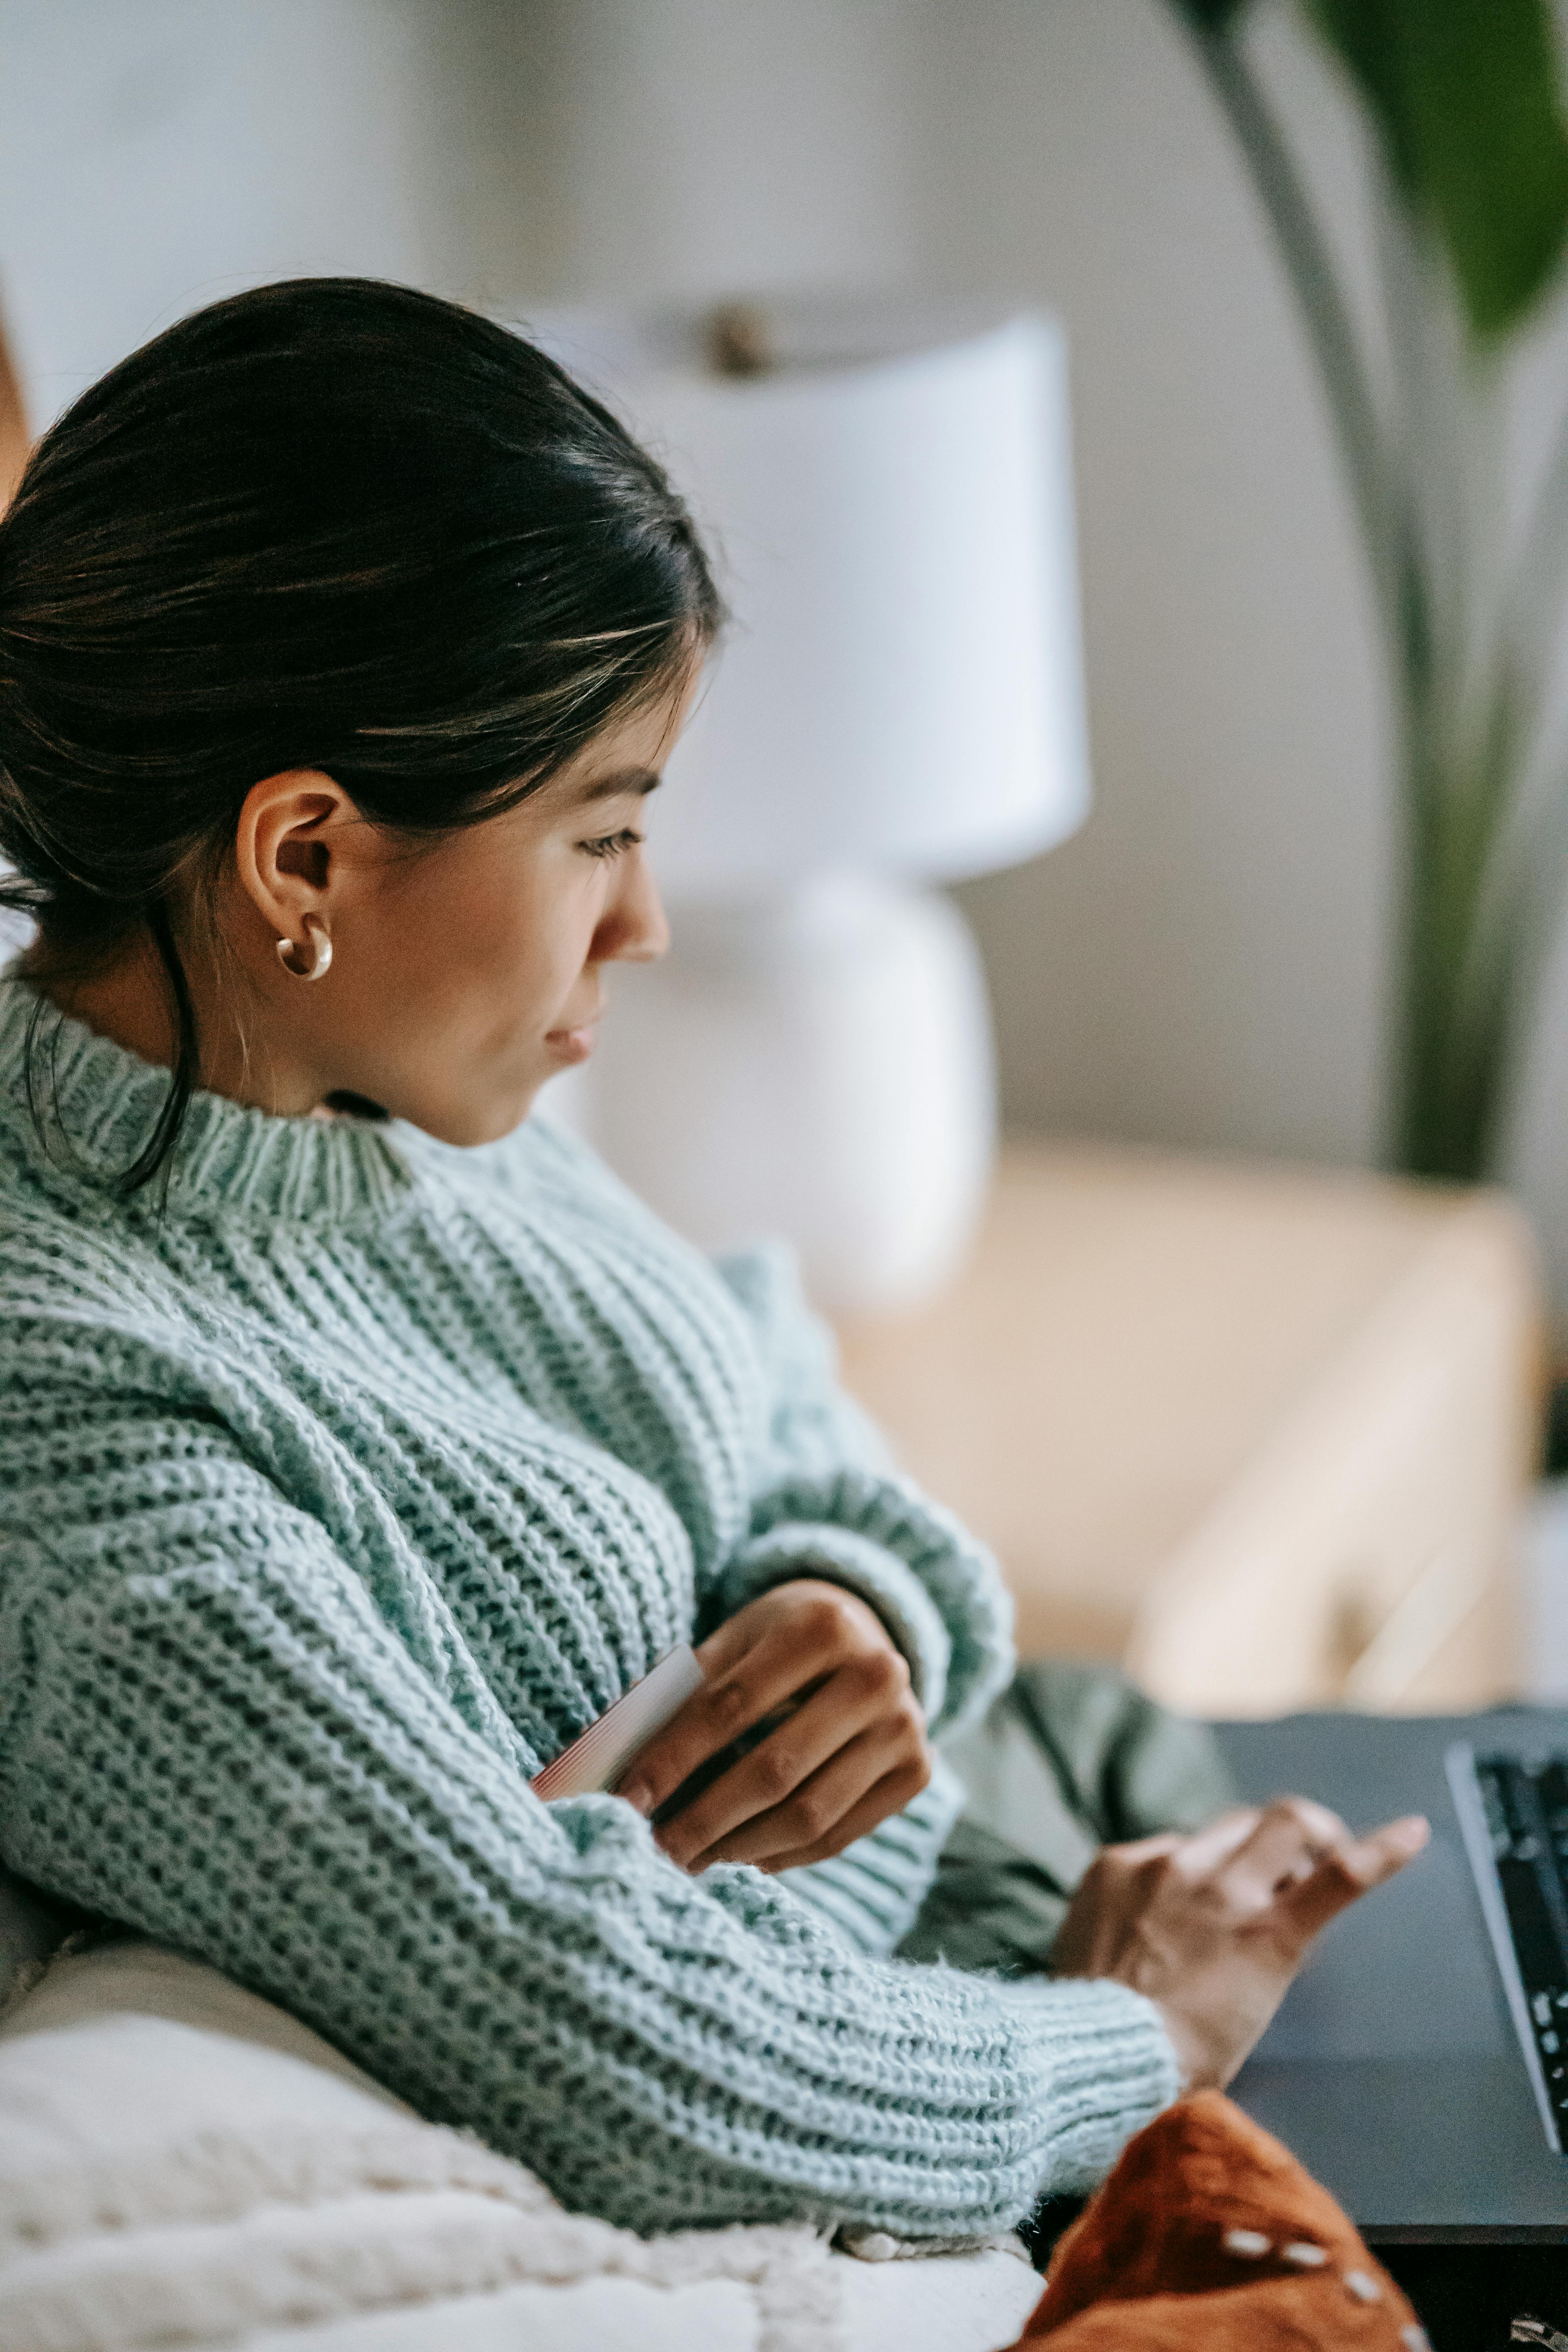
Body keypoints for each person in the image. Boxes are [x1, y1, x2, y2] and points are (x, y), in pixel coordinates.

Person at [0, 278, 1427, 2244]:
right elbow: (587, 2030)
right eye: (601, 833)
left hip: (1034, 1813)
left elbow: (761, 1361)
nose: (647, 924)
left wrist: (859, 1597)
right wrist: (1132, 2043)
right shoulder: (65, 1410)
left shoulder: (345, 1097)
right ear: (302, 860)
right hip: (975, 2058)